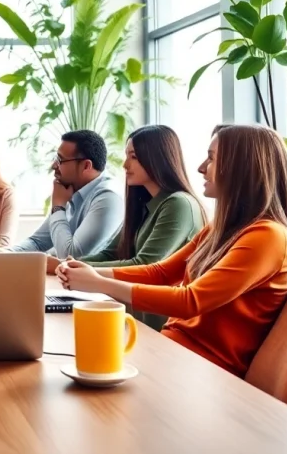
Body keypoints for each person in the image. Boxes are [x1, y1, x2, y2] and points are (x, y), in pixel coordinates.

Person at [56, 124, 287, 378]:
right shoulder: (222, 228)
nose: (201, 167)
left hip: (204, 370)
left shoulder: (268, 237)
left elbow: (191, 301)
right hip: (175, 351)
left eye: (211, 158)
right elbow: (161, 272)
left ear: (241, 168)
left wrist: (100, 282)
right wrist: (93, 275)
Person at [72, 125, 207, 330]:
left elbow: (147, 264)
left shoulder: (179, 204)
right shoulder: (144, 205)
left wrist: (83, 272)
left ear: (157, 158)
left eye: (133, 156)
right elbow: (108, 254)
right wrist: (68, 265)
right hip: (132, 315)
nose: (125, 164)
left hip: (160, 325)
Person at [0, 130, 123, 257]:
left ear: (86, 166)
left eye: (60, 160)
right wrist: (5, 254)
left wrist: (58, 207)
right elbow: (37, 242)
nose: (53, 165)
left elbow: (70, 255)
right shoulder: (72, 189)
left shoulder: (108, 197)